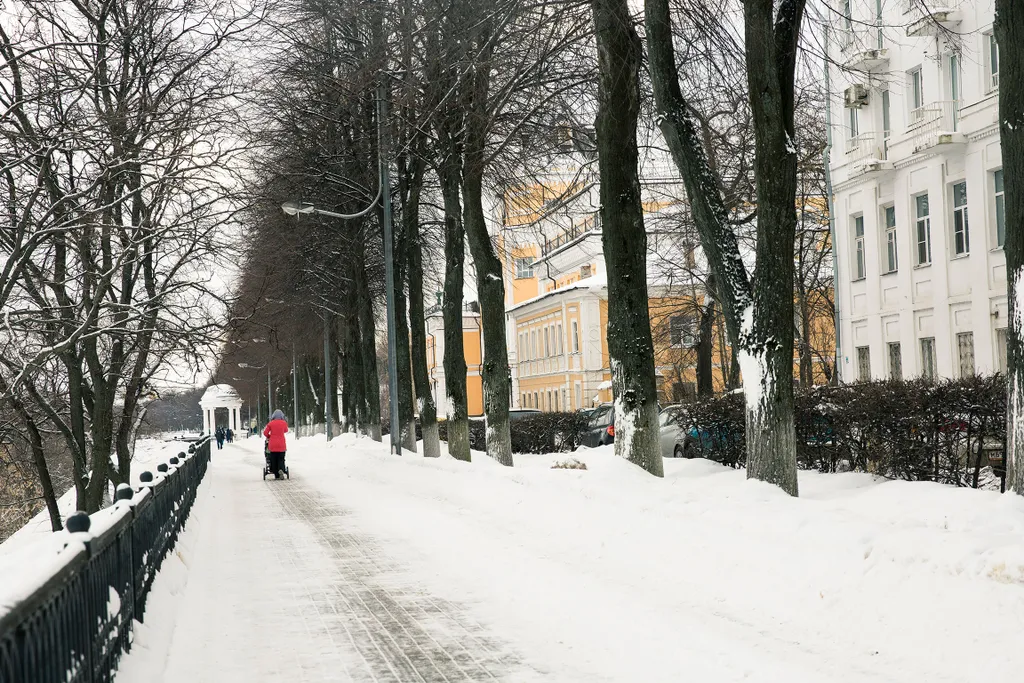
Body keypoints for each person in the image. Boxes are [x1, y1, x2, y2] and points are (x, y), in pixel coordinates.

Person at [263, 409, 289, 478]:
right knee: (281, 458)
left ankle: (275, 472)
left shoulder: (271, 423)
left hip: (273, 444)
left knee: (273, 459)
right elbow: (286, 430)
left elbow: (265, 433)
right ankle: (281, 469)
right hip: (281, 444)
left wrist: (270, 436)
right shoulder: (284, 423)